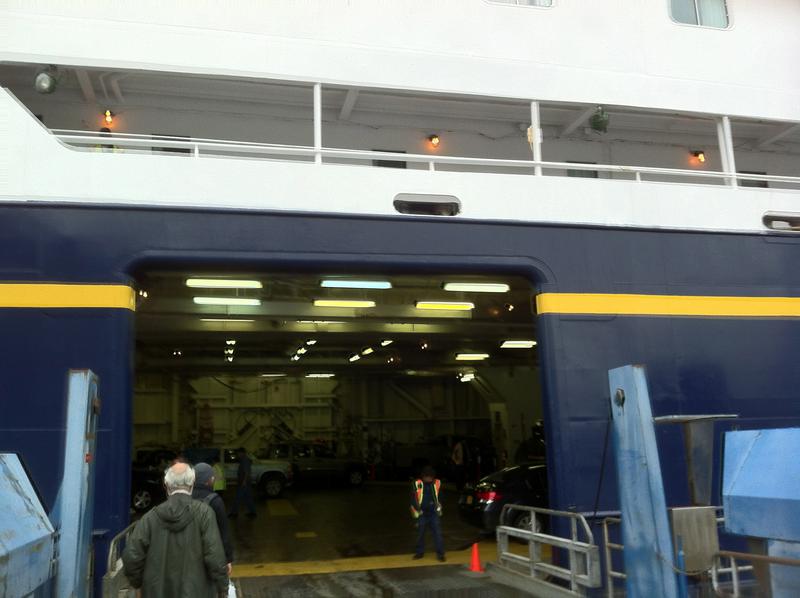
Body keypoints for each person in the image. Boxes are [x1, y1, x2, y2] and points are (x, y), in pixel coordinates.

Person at [122, 462, 229, 598]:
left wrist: (140, 584)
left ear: (166, 486)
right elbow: (215, 558)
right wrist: (223, 589)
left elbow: (132, 557)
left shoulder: (149, 518)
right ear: (192, 484)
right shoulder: (205, 514)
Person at [193, 462, 234, 576]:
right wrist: (227, 558)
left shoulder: (186, 497)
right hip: (210, 552)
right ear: (209, 480)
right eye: (212, 477)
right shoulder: (215, 501)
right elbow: (223, 531)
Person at [409, 465, 445, 562]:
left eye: (430, 477)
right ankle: (419, 553)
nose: (428, 479)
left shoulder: (437, 483)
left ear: (432, 476)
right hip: (422, 513)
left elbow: (440, 496)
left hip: (433, 513)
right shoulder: (417, 484)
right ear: (423, 476)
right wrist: (418, 509)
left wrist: (439, 505)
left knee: (438, 533)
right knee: (420, 534)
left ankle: (440, 554)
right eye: (426, 477)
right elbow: (413, 498)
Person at [229, 447, 256, 519]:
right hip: (246, 482)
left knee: (237, 497)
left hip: (244, 483)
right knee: (248, 498)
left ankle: (234, 513)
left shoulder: (245, 460)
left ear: (242, 453)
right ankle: (253, 512)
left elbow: (246, 472)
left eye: (238, 453)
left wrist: (243, 482)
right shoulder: (244, 460)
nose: (238, 454)